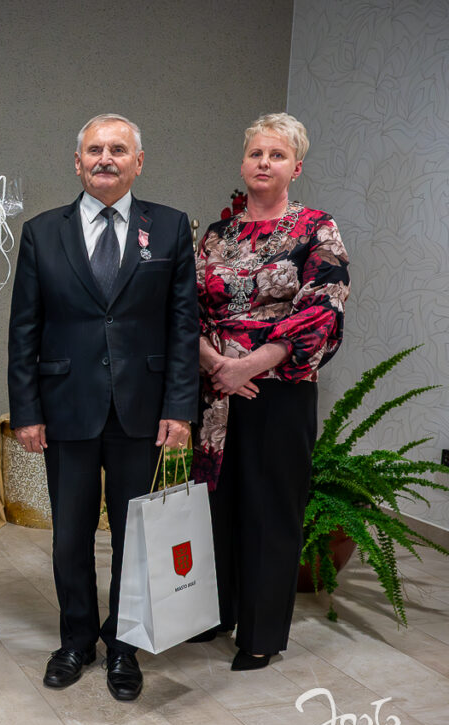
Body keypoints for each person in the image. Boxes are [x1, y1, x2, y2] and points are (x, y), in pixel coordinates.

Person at [8, 114, 199, 701]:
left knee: (133, 536)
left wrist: (180, 408)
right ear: (77, 162)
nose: (105, 159)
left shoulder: (169, 228)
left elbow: (183, 325)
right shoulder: (43, 232)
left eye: (118, 149)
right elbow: (24, 330)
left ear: (138, 162)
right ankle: (75, 640)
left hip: (143, 409)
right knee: (69, 535)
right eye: (94, 150)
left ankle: (123, 646)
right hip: (65, 406)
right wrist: (26, 411)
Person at [191, 112, 349, 670]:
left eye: (277, 155)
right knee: (216, 504)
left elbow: (323, 309)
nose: (264, 163)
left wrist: (249, 366)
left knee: (270, 509)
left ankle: (260, 636)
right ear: (243, 164)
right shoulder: (217, 235)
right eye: (256, 153)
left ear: (295, 168)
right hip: (214, 391)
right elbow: (185, 308)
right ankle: (215, 613)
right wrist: (215, 363)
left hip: (278, 390)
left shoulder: (316, 229)